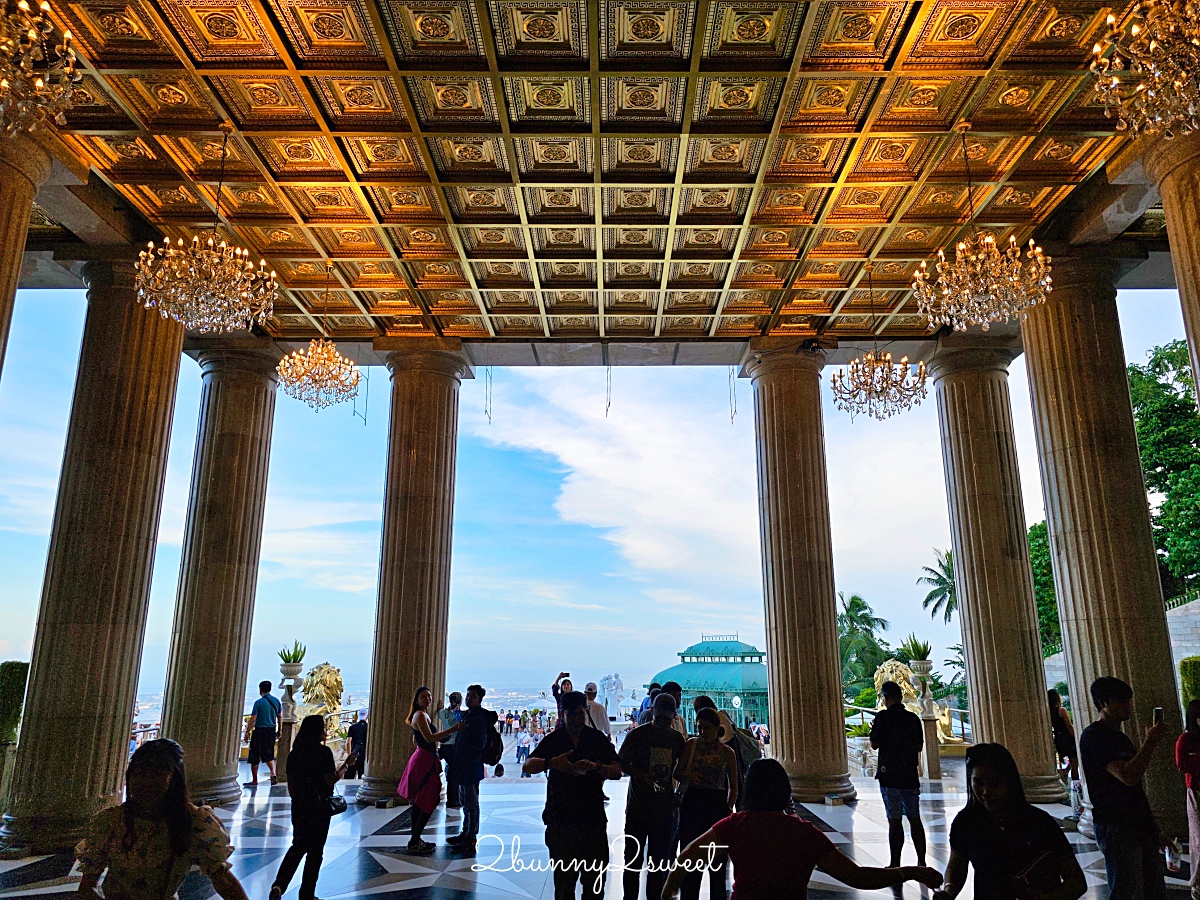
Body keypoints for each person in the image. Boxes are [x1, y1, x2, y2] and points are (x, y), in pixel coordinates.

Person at [663, 758, 943, 898]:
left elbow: (687, 856)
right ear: (785, 790)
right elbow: (857, 878)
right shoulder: (803, 832)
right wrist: (909, 872)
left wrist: (668, 893)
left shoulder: (736, 826)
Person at [75, 739, 249, 900]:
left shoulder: (194, 823)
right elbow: (86, 888)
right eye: (140, 773)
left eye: (157, 773)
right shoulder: (110, 822)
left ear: (174, 779)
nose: (146, 782)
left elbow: (222, 878)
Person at [934, 743, 1086, 900]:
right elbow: (956, 866)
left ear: (1009, 782)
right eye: (978, 783)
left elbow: (1076, 881)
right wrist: (949, 891)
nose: (986, 792)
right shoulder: (966, 823)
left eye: (994, 783)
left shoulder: (1039, 823)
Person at [524, 690, 622, 899]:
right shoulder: (555, 740)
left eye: (581, 714)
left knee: (594, 885)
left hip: (592, 819)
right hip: (561, 820)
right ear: (563, 714)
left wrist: (597, 767)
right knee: (564, 885)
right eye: (572, 715)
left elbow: (617, 771)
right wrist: (551, 763)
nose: (577, 719)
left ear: (586, 712)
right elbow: (528, 765)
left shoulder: (595, 739)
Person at [1079, 675, 1171, 900]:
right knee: (1127, 891)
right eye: (1121, 701)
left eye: (1128, 700)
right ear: (1103, 703)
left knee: (1153, 890)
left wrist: (1153, 828)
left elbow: (1136, 788)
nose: (1128, 706)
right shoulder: (1094, 737)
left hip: (1136, 823)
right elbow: (1127, 776)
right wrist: (1151, 741)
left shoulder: (1121, 739)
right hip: (1116, 824)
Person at [269, 715, 355, 900]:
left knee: (298, 846)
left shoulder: (295, 754)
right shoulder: (323, 752)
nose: (325, 731)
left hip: (300, 806)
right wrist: (346, 765)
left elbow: (292, 785)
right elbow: (330, 779)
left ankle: (279, 885)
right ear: (317, 731)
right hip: (319, 807)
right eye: (323, 728)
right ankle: (307, 894)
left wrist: (301, 799)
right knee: (315, 853)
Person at [618, 693, 686, 900]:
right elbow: (620, 764)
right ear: (652, 713)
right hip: (639, 806)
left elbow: (682, 771)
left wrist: (680, 792)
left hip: (662, 808)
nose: (664, 722)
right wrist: (642, 776)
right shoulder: (637, 735)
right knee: (633, 860)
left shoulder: (676, 739)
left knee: (658, 861)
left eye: (667, 718)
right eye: (660, 718)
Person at [675, 707, 739, 900]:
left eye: (707, 727)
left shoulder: (727, 752)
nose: (703, 732)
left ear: (717, 728)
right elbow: (677, 773)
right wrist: (689, 777)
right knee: (691, 862)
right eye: (700, 727)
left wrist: (729, 807)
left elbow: (734, 785)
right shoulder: (691, 745)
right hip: (694, 804)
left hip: (715, 807)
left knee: (717, 865)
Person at [869, 680, 926, 868]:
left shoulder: (882, 718)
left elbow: (874, 743)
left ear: (885, 698)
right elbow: (919, 746)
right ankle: (922, 861)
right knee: (915, 819)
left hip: (890, 774)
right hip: (909, 775)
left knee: (894, 820)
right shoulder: (913, 719)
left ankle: (895, 863)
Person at [398, 686, 461, 855]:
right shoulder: (419, 715)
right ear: (417, 699)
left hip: (424, 757)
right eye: (424, 696)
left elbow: (417, 739)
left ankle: (415, 838)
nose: (428, 699)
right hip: (424, 760)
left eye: (429, 696)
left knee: (421, 801)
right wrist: (452, 730)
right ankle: (414, 839)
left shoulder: (421, 715)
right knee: (429, 799)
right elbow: (429, 738)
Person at [447, 684, 497, 851]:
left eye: (473, 696)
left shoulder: (478, 719)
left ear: (480, 699)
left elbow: (479, 743)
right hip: (465, 765)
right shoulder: (470, 716)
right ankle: (466, 831)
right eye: (468, 695)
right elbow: (459, 717)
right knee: (465, 801)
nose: (469, 698)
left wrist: (465, 732)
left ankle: (471, 836)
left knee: (471, 802)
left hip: (470, 765)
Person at [1177, 699, 1200, 900]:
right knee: (1198, 838)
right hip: (1196, 792)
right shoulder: (1185, 740)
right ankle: (1197, 883)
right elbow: (1182, 765)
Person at [243, 680, 282, 787]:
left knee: (255, 755)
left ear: (260, 689)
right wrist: (280, 730)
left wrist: (247, 732)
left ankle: (255, 780)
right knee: (269, 754)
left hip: (260, 731)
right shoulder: (276, 701)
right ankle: (273, 774)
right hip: (271, 731)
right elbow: (279, 716)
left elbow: (253, 718)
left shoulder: (258, 702)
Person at [437, 692, 465, 809]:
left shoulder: (443, 713)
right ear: (460, 701)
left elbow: (439, 712)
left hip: (445, 746)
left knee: (451, 771)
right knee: (455, 773)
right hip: (455, 747)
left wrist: (440, 708)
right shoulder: (460, 715)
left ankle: (452, 798)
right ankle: (454, 799)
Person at [1048, 689, 1079, 784]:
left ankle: (1065, 771)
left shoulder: (1048, 712)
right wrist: (1077, 738)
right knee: (1075, 763)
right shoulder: (1061, 710)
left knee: (1073, 760)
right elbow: (1069, 726)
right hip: (1068, 738)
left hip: (1058, 739)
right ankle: (1076, 787)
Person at [345, 709, 368, 779]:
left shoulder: (352, 727)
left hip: (354, 753)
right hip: (365, 754)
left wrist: (349, 755)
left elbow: (348, 742)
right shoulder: (369, 728)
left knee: (349, 777)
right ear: (367, 716)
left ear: (358, 715)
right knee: (362, 777)